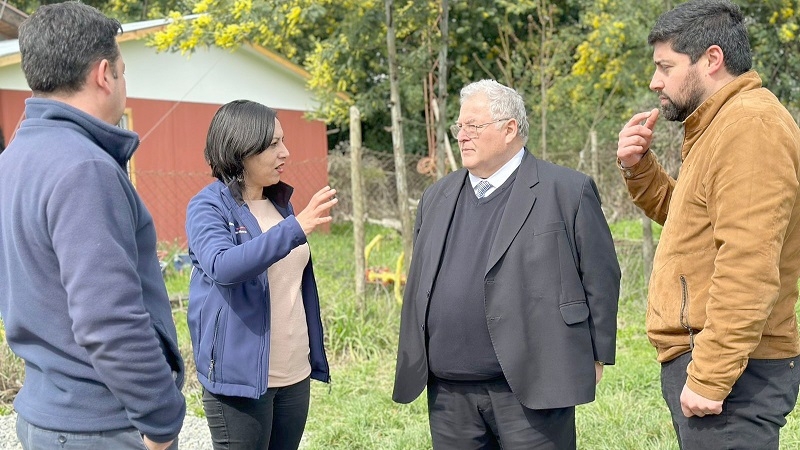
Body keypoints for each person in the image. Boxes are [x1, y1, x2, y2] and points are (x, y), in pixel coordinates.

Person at [393, 79, 621, 449]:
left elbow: (601, 276)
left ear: (510, 128)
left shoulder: (566, 190)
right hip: (450, 395)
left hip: (533, 386)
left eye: (473, 126)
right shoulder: (436, 197)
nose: (462, 136)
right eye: (459, 127)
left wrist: (597, 354)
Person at [0, 2, 185, 450]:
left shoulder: (13, 161)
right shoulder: (85, 168)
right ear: (105, 74)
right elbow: (109, 319)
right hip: (100, 425)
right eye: (123, 71)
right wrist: (161, 420)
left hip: (47, 412)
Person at [616, 1, 800, 448]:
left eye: (665, 66)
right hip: (722, 363)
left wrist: (711, 375)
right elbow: (694, 224)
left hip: (734, 373)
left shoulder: (751, 126)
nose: (654, 80)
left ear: (712, 59)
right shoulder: (721, 124)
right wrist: (640, 169)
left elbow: (749, 264)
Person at [185, 99, 336, 450]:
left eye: (283, 141)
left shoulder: (281, 205)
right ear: (241, 150)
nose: (285, 152)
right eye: (272, 144)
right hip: (241, 382)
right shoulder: (208, 206)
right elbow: (223, 265)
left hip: (294, 374)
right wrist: (294, 229)